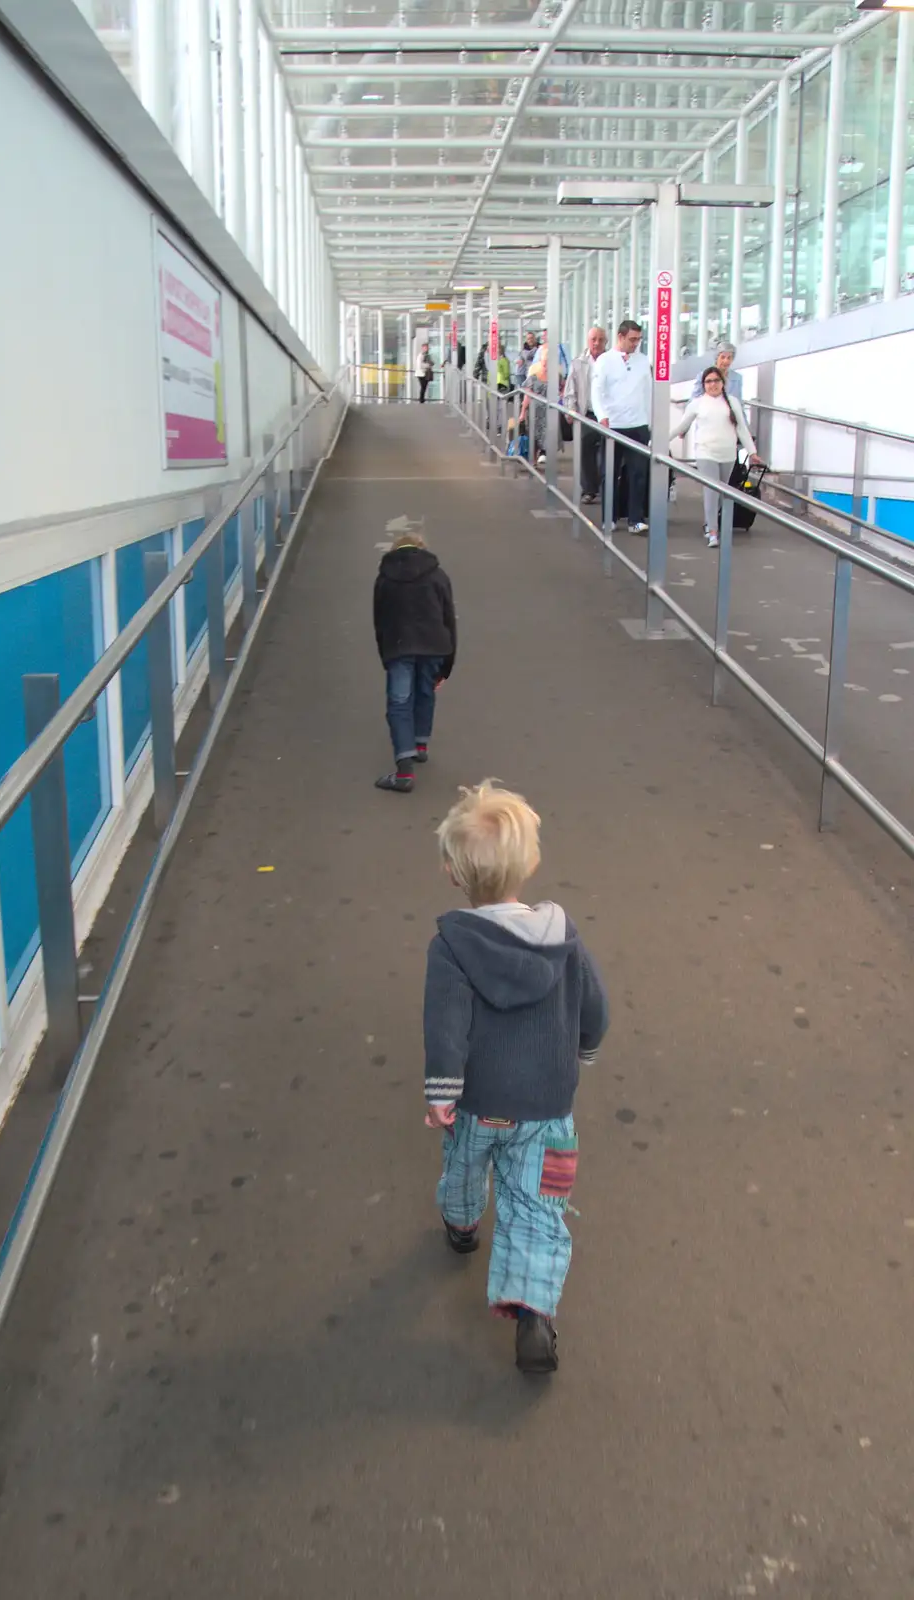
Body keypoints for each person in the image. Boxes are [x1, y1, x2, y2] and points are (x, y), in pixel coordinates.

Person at [424, 780, 609, 1375]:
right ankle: (532, 1310)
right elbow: (594, 1007)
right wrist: (583, 1048)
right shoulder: (562, 938)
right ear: (531, 862)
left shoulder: (453, 945)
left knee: (464, 1166)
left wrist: (443, 1091)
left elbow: (446, 1024)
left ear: (453, 874)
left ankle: (460, 1225)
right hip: (547, 1105)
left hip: (481, 1101)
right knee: (536, 1203)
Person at [372, 528, 456, 793]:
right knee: (425, 693)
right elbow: (448, 619)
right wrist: (447, 665)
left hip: (399, 647)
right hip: (434, 645)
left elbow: (380, 622)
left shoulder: (385, 580)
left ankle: (404, 772)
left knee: (399, 702)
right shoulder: (438, 576)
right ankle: (420, 745)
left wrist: (385, 655)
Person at [671, 366, 762, 548]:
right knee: (711, 491)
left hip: (728, 454)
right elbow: (682, 426)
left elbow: (742, 429)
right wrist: (660, 440)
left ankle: (711, 522)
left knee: (722, 492)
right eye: (708, 381)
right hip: (706, 453)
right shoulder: (697, 403)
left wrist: (752, 452)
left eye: (716, 381)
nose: (712, 385)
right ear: (703, 384)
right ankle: (713, 531)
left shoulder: (733, 402)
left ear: (723, 383)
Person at [592, 319, 652, 534]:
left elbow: (649, 392)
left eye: (638, 340)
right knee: (610, 473)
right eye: (632, 339)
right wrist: (602, 416)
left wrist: (650, 423)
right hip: (613, 425)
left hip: (638, 424)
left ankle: (635, 519)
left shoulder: (644, 361)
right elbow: (596, 390)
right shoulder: (605, 361)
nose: (635, 343)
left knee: (638, 474)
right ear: (620, 337)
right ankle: (610, 517)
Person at [562, 325, 608, 504]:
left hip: (606, 414)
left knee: (607, 451)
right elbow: (570, 390)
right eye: (593, 339)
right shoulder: (578, 362)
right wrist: (570, 409)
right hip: (586, 413)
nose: (597, 343)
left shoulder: (611, 361)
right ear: (588, 341)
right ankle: (589, 488)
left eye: (601, 339)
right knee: (584, 449)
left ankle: (606, 487)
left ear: (606, 342)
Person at [519, 340, 549, 467]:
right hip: (534, 412)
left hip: (548, 412)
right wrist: (522, 413)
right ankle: (533, 460)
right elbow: (527, 395)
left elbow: (564, 386)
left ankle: (542, 456)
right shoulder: (533, 376)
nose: (546, 365)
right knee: (533, 437)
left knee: (546, 437)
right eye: (544, 362)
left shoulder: (555, 376)